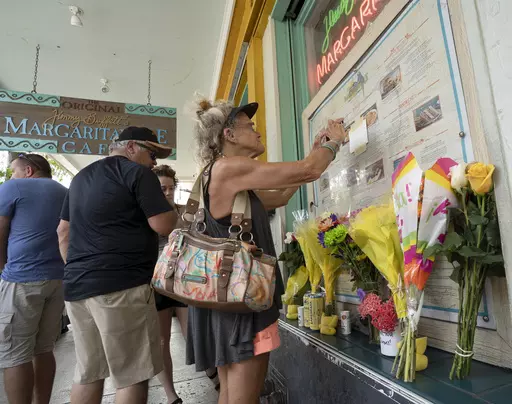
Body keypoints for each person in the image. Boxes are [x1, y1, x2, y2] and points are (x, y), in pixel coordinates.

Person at [186, 98, 348, 404]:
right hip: (242, 302)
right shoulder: (229, 169)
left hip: (226, 301)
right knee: (244, 398)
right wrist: (334, 142)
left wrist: (314, 154)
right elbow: (309, 171)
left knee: (231, 393)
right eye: (250, 126)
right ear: (229, 135)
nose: (258, 133)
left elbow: (283, 195)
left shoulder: (223, 177)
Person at [57, 127, 178, 404]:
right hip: (122, 287)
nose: (155, 162)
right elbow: (162, 225)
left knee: (88, 373)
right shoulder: (138, 174)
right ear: (132, 147)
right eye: (152, 153)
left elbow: (63, 232)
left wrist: (81, 268)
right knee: (132, 374)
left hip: (77, 289)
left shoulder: (80, 178)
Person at [0, 154, 67, 404]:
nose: (11, 177)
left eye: (14, 171)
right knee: (44, 349)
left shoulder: (14, 187)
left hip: (21, 279)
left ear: (28, 170)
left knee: (15, 354)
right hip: (57, 279)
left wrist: (2, 268)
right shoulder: (65, 191)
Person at [152, 165, 220, 404]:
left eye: (171, 188)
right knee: (161, 341)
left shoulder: (184, 212)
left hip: (184, 280)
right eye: (162, 188)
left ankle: (212, 372)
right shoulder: (146, 215)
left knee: (193, 331)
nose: (168, 192)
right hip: (156, 282)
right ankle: (171, 395)